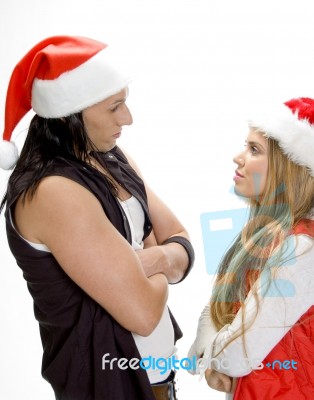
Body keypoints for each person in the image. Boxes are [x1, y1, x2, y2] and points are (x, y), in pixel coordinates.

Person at [0, 36, 194, 400]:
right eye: (114, 107)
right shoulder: (54, 191)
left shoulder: (112, 159)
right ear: (71, 112)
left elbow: (181, 239)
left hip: (156, 380)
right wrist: (163, 260)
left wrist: (152, 259)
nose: (129, 118)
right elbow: (143, 312)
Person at [187, 97, 314, 399]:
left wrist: (214, 359)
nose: (238, 157)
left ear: (289, 169)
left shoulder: (300, 249)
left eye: (254, 149)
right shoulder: (267, 235)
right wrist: (212, 360)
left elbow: (239, 354)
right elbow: (218, 306)